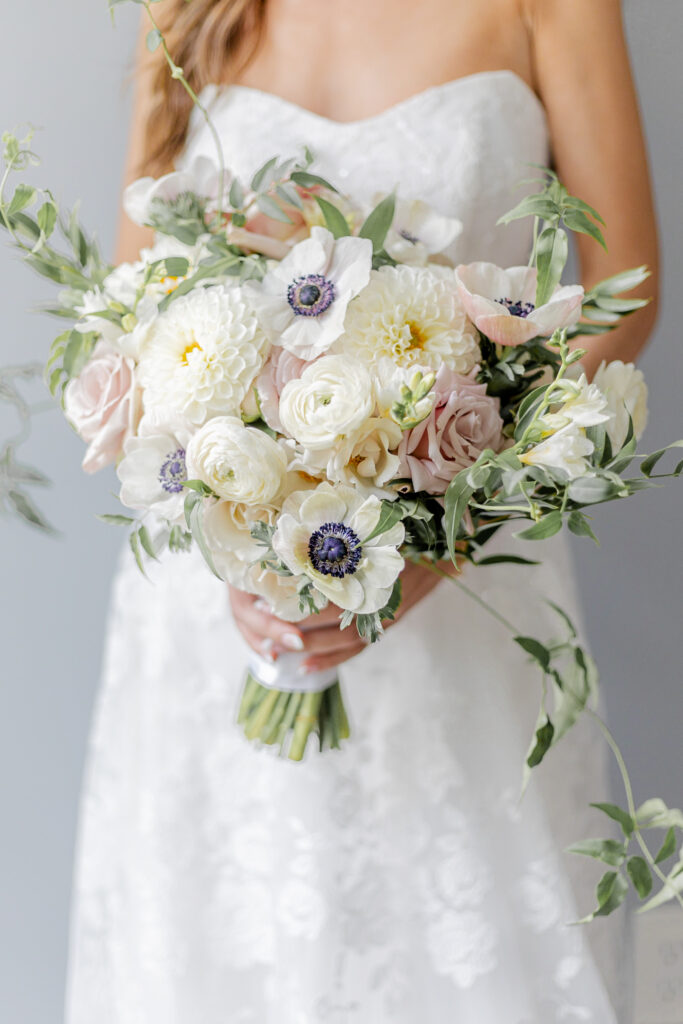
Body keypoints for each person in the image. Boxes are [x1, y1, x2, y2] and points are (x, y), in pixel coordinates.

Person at [66, 1, 659, 1021]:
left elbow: (623, 291)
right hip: (220, 612)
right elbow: (133, 299)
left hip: (468, 578)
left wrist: (440, 531)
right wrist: (240, 535)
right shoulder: (184, 10)